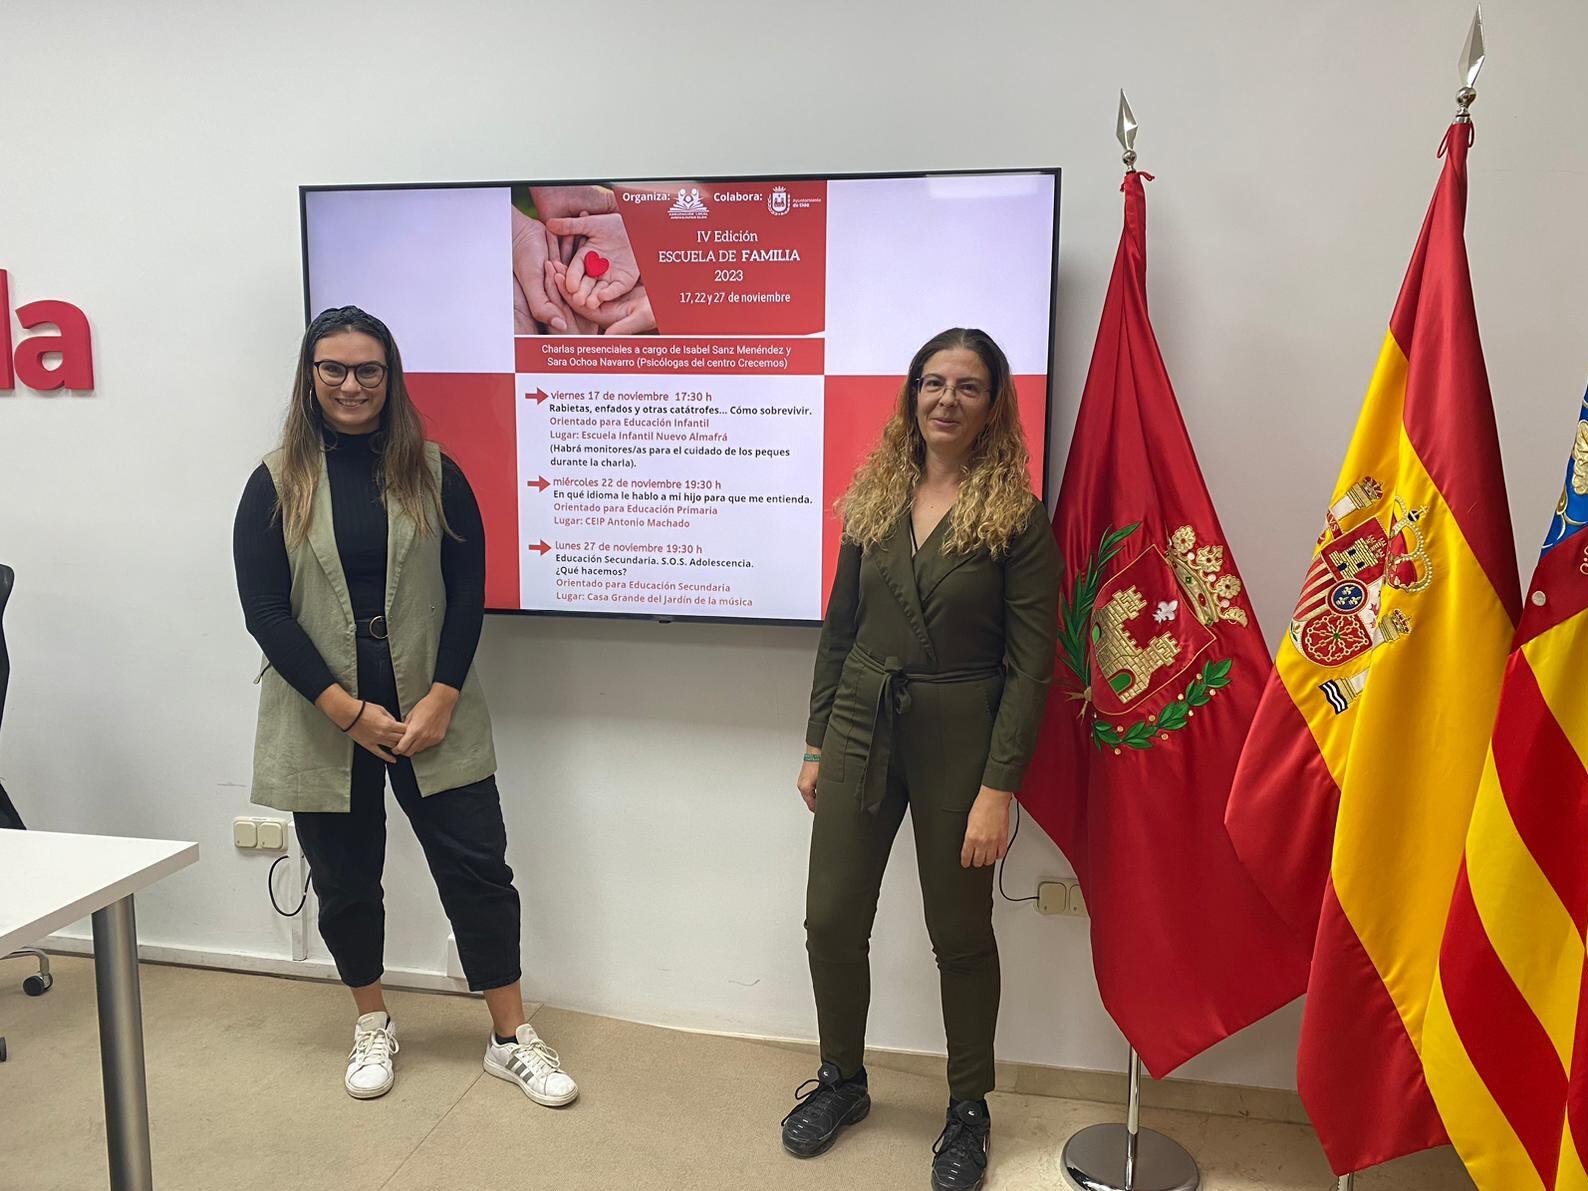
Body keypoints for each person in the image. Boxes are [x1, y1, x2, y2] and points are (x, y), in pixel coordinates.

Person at [232, 306, 578, 1107]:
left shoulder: (434, 469)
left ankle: (510, 1035)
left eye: (368, 370)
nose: (351, 385)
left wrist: (444, 694)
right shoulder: (275, 479)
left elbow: (467, 589)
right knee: (346, 881)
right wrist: (347, 709)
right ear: (310, 377)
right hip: (328, 719)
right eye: (334, 369)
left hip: (432, 713)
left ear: (390, 379)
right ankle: (373, 1019)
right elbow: (266, 613)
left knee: (480, 871)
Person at [782, 328, 1060, 1190]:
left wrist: (998, 789)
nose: (945, 398)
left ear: (992, 405)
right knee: (830, 917)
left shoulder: (1015, 514)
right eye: (932, 382)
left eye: (967, 387)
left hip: (959, 734)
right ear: (912, 394)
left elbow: (1033, 663)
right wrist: (818, 737)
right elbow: (841, 627)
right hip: (864, 716)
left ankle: (968, 1107)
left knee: (960, 933)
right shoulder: (877, 495)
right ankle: (842, 1079)